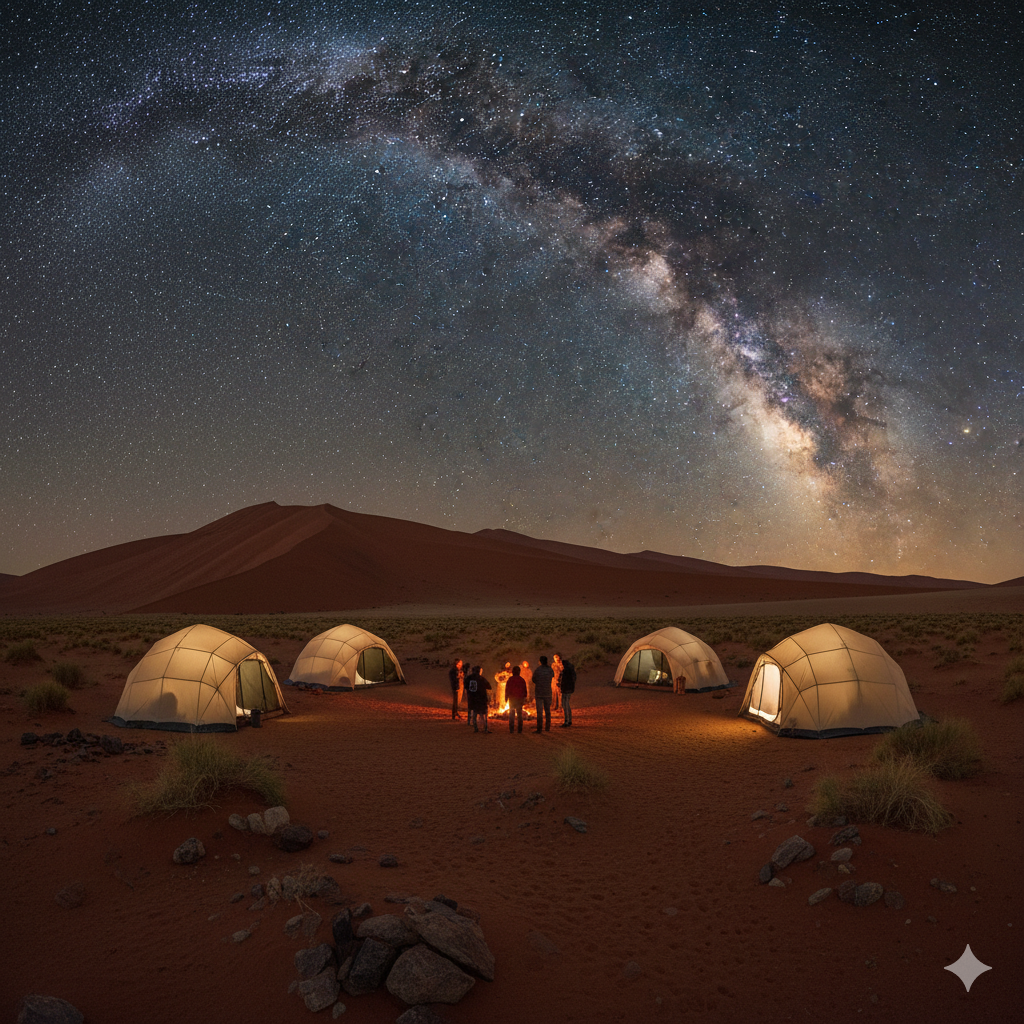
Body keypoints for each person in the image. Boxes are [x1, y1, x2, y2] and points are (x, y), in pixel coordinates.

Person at [466, 665, 492, 732]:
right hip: (481, 698)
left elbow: (466, 686)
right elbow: (489, 686)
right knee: (483, 714)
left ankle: (475, 728)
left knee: (474, 712)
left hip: (472, 698)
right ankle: (485, 728)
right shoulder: (482, 679)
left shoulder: (468, 678)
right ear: (479, 671)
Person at [532, 655, 554, 732]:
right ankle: (547, 727)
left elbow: (533, 679)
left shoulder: (538, 670)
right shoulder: (550, 670)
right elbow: (552, 676)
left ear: (540, 661)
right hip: (548, 692)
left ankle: (539, 728)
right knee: (548, 710)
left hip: (539, 692)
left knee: (539, 711)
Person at [505, 664, 527, 733]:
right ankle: (519, 730)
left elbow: (507, 689)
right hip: (519, 699)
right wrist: (524, 698)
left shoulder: (510, 679)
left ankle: (511, 729)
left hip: (512, 699)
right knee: (519, 714)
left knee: (512, 714)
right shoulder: (522, 680)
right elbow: (524, 690)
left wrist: (506, 698)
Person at [558, 654, 576, 727]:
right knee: (567, 705)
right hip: (570, 689)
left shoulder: (566, 671)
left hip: (565, 690)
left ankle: (567, 721)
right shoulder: (571, 671)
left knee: (565, 705)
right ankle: (569, 720)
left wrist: (560, 685)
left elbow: (564, 681)